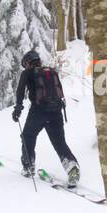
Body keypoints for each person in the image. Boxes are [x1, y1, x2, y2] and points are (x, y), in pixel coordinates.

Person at [13, 49, 80, 188]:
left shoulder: (27, 73)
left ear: (27, 62)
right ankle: (72, 168)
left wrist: (18, 108)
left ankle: (28, 166)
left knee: (27, 136)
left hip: (38, 111)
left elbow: (20, 90)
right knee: (59, 142)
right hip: (56, 111)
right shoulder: (51, 71)